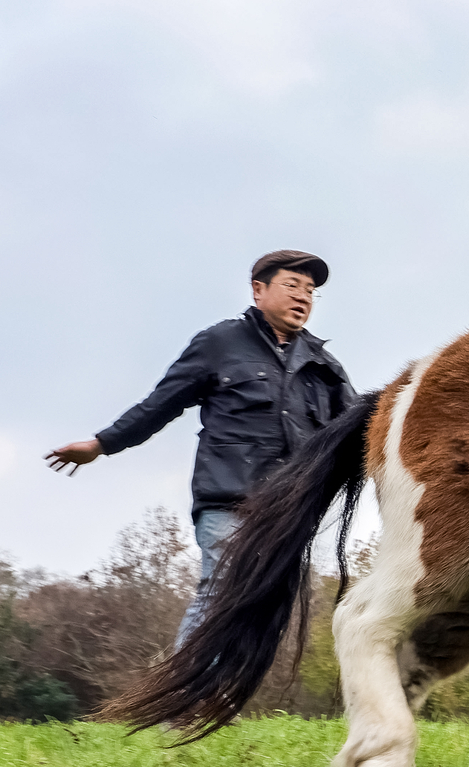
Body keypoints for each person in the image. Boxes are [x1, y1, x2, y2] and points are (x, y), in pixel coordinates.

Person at [47, 250, 358, 646]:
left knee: (266, 610)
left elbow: (360, 430)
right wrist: (102, 444)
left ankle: (222, 682)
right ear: (258, 290)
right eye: (292, 285)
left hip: (289, 511)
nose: (303, 296)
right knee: (222, 591)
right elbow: (161, 404)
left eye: (310, 291)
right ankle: (185, 681)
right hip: (229, 500)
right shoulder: (220, 343)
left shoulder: (324, 365)